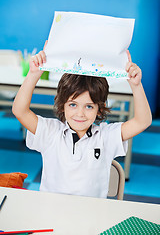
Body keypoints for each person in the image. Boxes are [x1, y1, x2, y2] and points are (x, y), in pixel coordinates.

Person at [12, 42, 152, 198]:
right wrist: (33, 75)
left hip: (92, 217)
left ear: (100, 107)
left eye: (89, 107)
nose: (80, 114)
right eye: (73, 104)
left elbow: (142, 121)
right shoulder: (51, 132)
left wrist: (136, 85)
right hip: (51, 214)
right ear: (62, 104)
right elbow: (19, 111)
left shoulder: (106, 136)